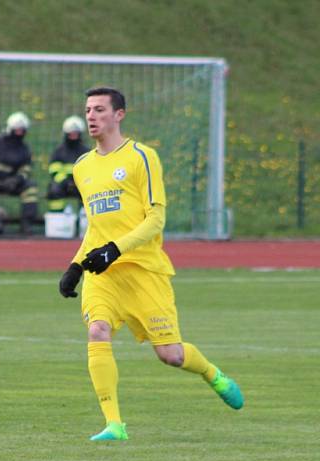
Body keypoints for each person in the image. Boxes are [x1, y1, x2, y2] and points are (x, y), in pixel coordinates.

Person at [57, 87, 243, 441]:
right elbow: (96, 228)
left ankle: (212, 375)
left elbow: (156, 220)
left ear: (119, 114)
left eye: (99, 109)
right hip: (105, 275)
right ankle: (114, 424)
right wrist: (76, 266)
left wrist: (116, 248)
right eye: (88, 110)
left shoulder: (142, 157)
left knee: (170, 355)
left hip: (144, 271)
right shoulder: (82, 167)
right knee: (97, 330)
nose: (91, 116)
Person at [47, 115, 90, 212]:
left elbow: (90, 170)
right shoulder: (59, 151)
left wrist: (78, 181)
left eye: (75, 133)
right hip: (63, 183)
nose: (73, 136)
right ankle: (57, 216)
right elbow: (54, 170)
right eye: (71, 133)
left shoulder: (86, 151)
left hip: (81, 183)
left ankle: (86, 216)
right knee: (54, 189)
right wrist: (66, 181)